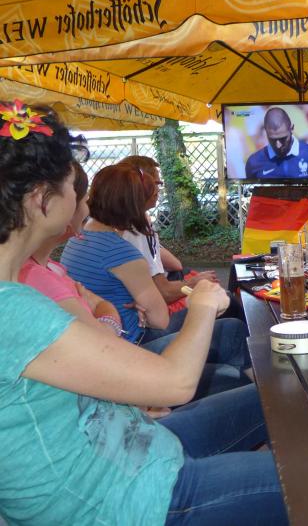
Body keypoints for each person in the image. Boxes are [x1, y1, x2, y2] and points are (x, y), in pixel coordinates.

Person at [0, 100, 287, 524]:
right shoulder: (12, 308)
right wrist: (203, 303)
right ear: (42, 199)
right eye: (72, 184)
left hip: (135, 450)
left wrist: (122, 400)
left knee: (277, 398)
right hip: (128, 502)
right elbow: (176, 382)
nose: (81, 196)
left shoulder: (18, 291)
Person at [19, 162, 249, 402]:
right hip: (134, 343)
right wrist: (199, 299)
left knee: (229, 330)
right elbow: (159, 320)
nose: (85, 203)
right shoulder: (121, 251)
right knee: (232, 339)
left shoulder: (77, 241)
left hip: (118, 346)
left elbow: (98, 304)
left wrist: (112, 308)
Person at [117, 155, 220, 304]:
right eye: (156, 184)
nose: (158, 190)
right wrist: (194, 283)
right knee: (225, 302)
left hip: (149, 298)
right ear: (139, 186)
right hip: (156, 306)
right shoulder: (136, 230)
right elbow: (164, 293)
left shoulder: (121, 223)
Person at [245, 106, 308, 179]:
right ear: (266, 132)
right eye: (273, 139)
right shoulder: (254, 162)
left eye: (283, 138)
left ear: (291, 128)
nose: (278, 145)